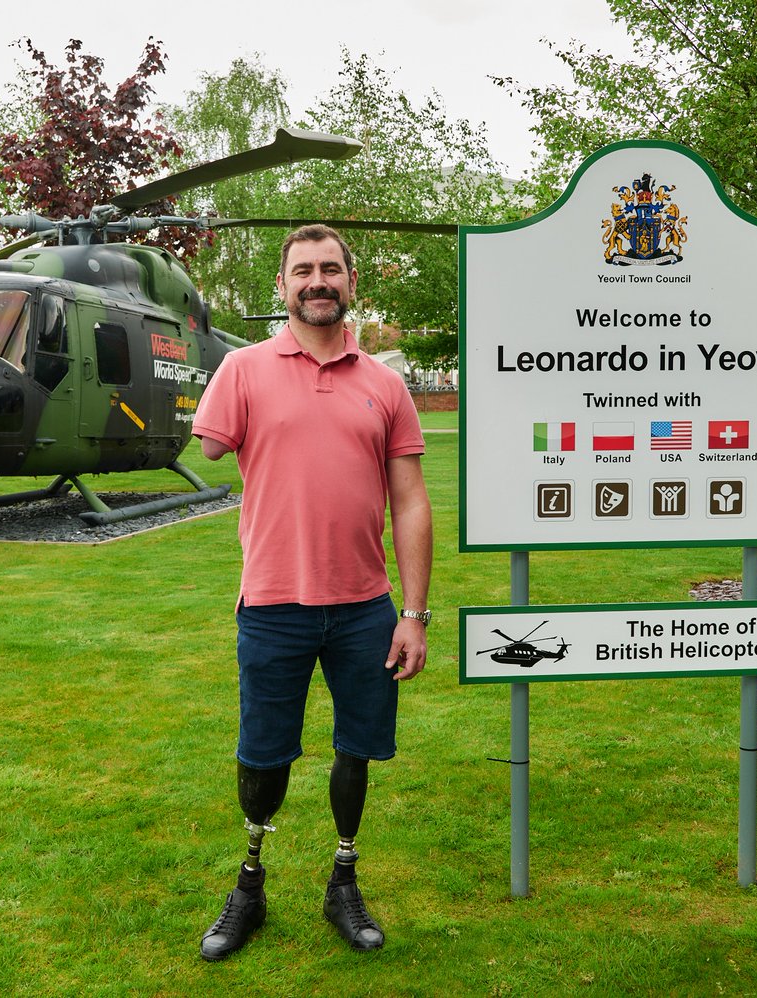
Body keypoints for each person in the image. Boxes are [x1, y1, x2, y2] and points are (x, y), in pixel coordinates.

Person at [192, 224, 433, 960]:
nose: (317, 281)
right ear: (283, 286)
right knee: (262, 755)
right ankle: (250, 883)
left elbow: (412, 502)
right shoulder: (242, 370)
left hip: (365, 608)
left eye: (331, 269)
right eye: (303, 271)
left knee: (356, 748)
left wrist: (414, 614)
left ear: (352, 282)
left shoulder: (385, 384)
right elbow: (208, 441)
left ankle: (343, 880)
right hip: (272, 604)